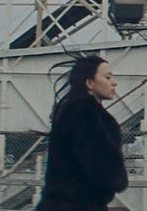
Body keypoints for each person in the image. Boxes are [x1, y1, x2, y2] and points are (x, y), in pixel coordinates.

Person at [37, 55, 129, 211]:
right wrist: (115, 179)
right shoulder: (85, 114)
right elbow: (99, 165)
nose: (114, 82)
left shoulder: (73, 111)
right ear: (89, 83)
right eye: (107, 77)